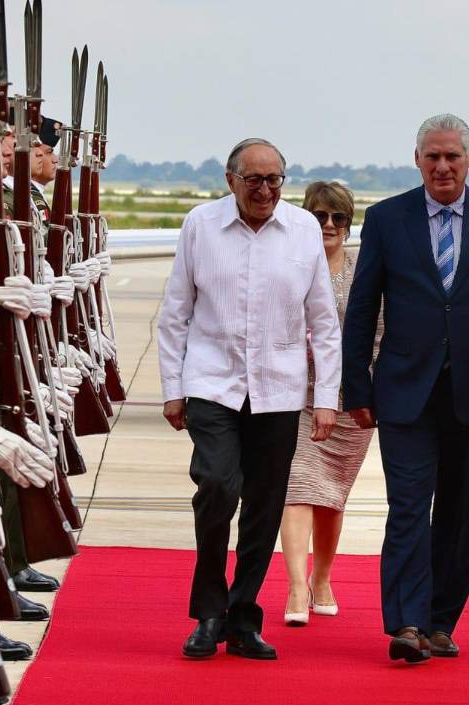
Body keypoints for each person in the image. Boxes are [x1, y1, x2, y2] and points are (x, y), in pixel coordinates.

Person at [341, 114, 469, 663]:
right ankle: (406, 623)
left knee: (460, 512)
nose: (442, 166)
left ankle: (439, 621)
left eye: (452, 157)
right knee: (408, 506)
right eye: (432, 156)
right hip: (404, 391)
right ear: (417, 160)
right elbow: (362, 309)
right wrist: (355, 388)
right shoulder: (387, 219)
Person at [158, 137, 341, 661]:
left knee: (264, 505)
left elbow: (324, 323)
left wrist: (325, 396)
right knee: (216, 485)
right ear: (230, 179)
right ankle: (208, 612)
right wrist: (173, 390)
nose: (265, 190)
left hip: (279, 388)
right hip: (212, 382)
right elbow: (176, 314)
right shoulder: (201, 225)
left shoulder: (302, 229)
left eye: (275, 181)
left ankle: (242, 617)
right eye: (254, 180)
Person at [280, 181, 377, 625]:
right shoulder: (290, 265)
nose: (330, 225)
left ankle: (322, 578)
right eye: (320, 216)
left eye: (339, 218)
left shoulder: (365, 270)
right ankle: (297, 589)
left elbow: (380, 333)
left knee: (331, 497)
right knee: (298, 487)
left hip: (352, 400)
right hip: (297, 395)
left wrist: (366, 386)